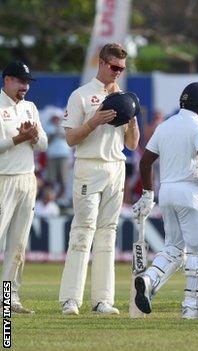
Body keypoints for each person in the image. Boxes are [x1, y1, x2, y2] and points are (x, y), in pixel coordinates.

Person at [133, 82, 198, 319]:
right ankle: (192, 308)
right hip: (191, 193)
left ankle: (149, 279)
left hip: (167, 193)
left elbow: (145, 162)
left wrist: (147, 194)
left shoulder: (165, 126)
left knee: (173, 249)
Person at [58, 43, 140, 315]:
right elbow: (70, 139)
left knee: (108, 233)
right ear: (102, 63)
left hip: (116, 166)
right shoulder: (81, 95)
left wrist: (133, 115)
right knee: (83, 231)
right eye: (114, 67)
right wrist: (94, 122)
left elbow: (131, 144)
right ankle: (71, 299)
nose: (118, 72)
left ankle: (103, 300)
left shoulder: (124, 96)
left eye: (122, 69)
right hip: (89, 166)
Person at [0, 61, 47, 314]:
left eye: (27, 82)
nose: (25, 87)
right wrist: (19, 138)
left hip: (26, 180)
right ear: (7, 80)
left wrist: (34, 136)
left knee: (18, 244)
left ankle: (8, 299)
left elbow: (44, 145)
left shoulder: (30, 108)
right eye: (20, 81)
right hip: (2, 179)